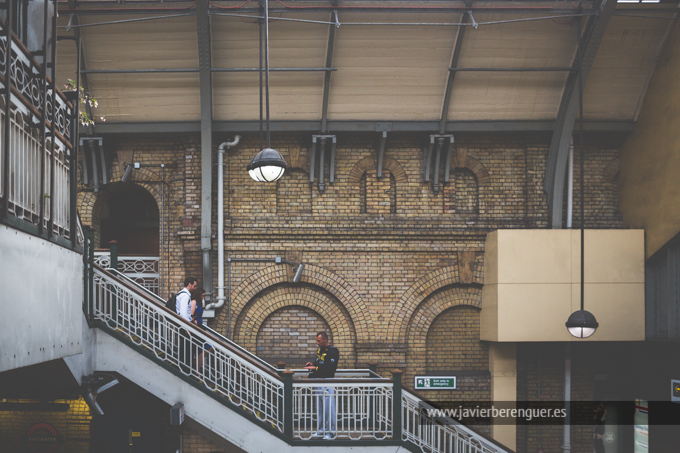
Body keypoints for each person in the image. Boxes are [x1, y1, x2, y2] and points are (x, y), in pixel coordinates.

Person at [304, 332, 339, 440]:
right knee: (319, 409)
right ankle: (321, 431)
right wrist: (312, 365)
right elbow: (318, 363)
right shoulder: (321, 351)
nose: (317, 343)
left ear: (325, 340)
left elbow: (330, 368)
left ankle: (331, 432)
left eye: (319, 341)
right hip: (318, 381)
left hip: (327, 382)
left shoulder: (332, 351)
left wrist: (315, 368)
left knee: (329, 408)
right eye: (317, 341)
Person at [190, 287, 213, 376]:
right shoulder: (194, 302)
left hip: (199, 328)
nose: (203, 297)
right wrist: (194, 322)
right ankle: (196, 370)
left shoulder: (198, 303)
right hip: (196, 329)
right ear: (199, 295)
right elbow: (191, 316)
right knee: (205, 348)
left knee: (205, 349)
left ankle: (196, 368)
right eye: (202, 296)